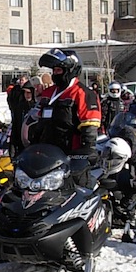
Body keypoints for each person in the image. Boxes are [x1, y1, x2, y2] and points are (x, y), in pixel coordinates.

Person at [22, 48, 101, 184]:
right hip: (46, 155)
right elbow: (37, 120)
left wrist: (86, 153)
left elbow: (89, 128)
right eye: (53, 71)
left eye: (58, 70)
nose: (54, 74)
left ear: (70, 70)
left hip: (70, 157)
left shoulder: (83, 93)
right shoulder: (48, 93)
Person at [8, 80, 36, 157]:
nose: (27, 95)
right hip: (20, 146)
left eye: (29, 92)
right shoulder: (19, 108)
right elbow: (15, 129)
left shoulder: (37, 108)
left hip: (34, 146)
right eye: (25, 92)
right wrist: (12, 150)